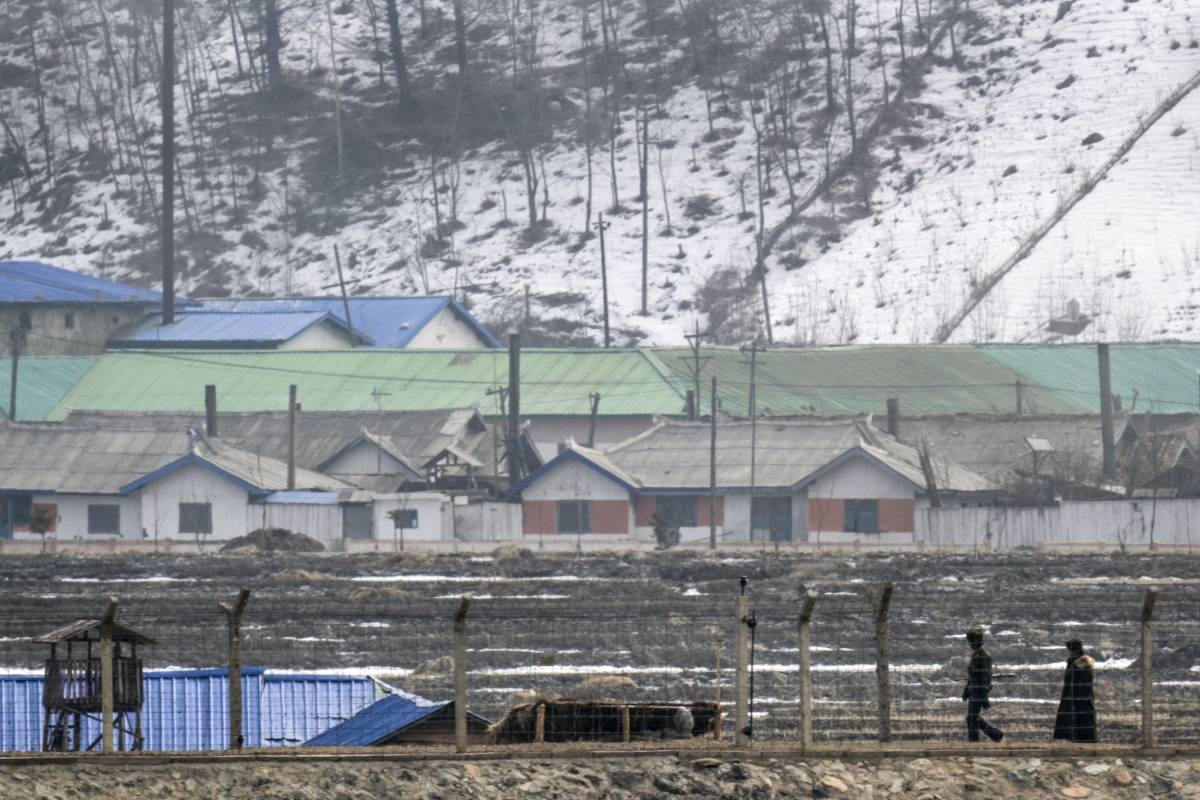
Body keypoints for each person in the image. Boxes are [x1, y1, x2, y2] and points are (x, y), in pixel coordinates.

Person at [963, 626, 1003, 742]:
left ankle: (976, 741)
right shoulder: (976, 655)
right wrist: (966, 691)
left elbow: (985, 677)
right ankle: (995, 735)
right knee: (972, 718)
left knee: (972, 718)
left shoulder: (984, 656)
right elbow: (973, 676)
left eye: (971, 641)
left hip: (979, 692)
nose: (970, 644)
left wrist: (984, 695)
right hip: (974, 691)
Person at [1053, 639, 1097, 742]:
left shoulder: (1081, 663)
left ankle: (1084, 738)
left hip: (1081, 696)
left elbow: (1082, 681)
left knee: (1082, 717)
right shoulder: (1073, 662)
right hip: (1074, 695)